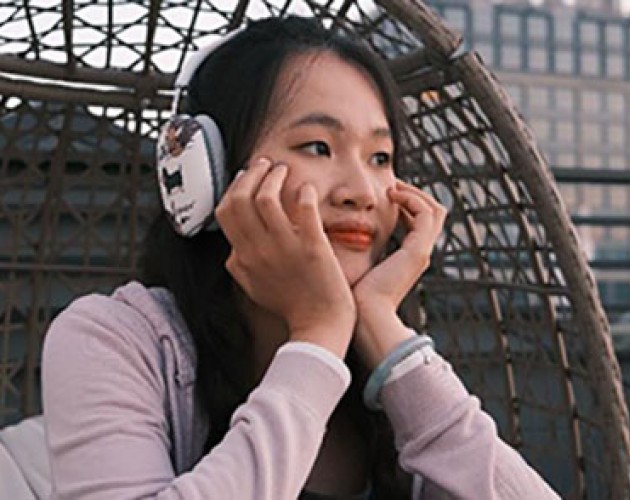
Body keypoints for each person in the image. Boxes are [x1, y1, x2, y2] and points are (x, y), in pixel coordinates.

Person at [41, 15, 559, 499]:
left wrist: (383, 330)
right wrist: (318, 335)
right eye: (317, 147)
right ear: (209, 173)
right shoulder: (110, 339)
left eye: (381, 158)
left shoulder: (394, 376)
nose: (363, 191)